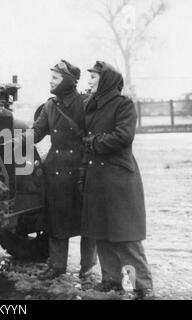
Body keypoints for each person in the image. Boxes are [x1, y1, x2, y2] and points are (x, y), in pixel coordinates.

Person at [82, 61, 154, 299]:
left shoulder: (123, 105)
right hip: (98, 180)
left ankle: (139, 284)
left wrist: (94, 142)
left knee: (125, 237)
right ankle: (111, 280)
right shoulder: (91, 105)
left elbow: (123, 136)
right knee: (101, 233)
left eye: (93, 77)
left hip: (118, 180)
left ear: (106, 80)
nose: (89, 81)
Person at [32, 60, 97, 281]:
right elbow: (37, 132)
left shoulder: (86, 103)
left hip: (82, 170)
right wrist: (11, 144)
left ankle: (87, 269)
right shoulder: (50, 105)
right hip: (57, 170)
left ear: (68, 81)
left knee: (87, 222)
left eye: (56, 78)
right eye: (51, 77)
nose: (50, 81)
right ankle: (57, 266)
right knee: (57, 220)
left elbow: (95, 134)